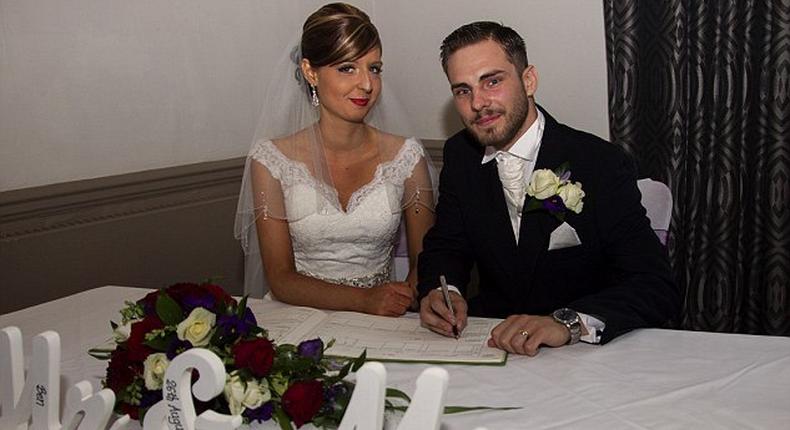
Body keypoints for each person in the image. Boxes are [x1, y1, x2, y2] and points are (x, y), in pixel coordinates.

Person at [418, 21, 680, 355]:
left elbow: (654, 284)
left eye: (492, 81)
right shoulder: (461, 156)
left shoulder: (599, 161)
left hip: (583, 357)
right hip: (491, 346)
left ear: (528, 80)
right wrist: (445, 290)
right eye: (463, 90)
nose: (478, 103)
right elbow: (446, 247)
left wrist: (566, 323)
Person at [234, 3, 436, 316]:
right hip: (297, 317)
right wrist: (364, 300)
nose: (367, 84)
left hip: (384, 320)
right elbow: (281, 277)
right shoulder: (271, 160)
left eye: (374, 68)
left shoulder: (407, 156)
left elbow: (427, 259)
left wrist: (401, 297)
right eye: (347, 68)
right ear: (310, 71)